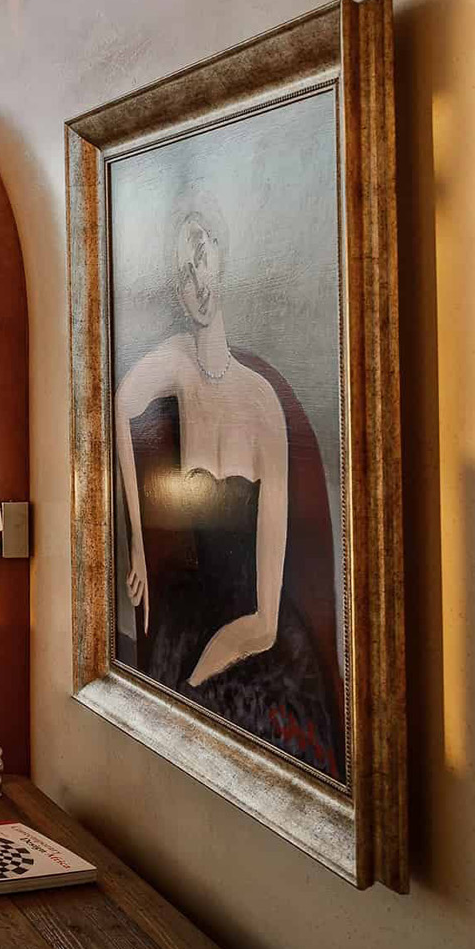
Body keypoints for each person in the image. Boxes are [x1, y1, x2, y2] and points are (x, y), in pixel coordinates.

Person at [113, 198, 342, 776]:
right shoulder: (177, 365)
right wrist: (136, 541)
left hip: (255, 632)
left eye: (203, 259)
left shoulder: (264, 405)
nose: (198, 283)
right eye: (183, 273)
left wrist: (194, 682)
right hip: (193, 608)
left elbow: (263, 624)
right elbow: (119, 406)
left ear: (224, 261)